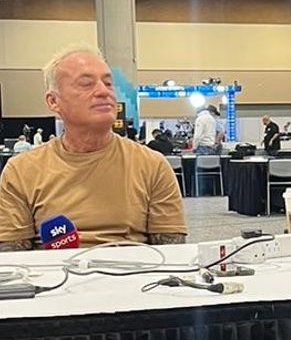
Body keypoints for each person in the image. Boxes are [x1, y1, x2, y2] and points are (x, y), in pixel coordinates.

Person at [0, 44, 187, 251]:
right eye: (86, 84)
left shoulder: (152, 165)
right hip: (51, 280)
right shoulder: (21, 171)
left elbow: (172, 255)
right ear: (53, 101)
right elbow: (13, 260)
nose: (103, 91)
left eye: (108, 83)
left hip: (133, 278)